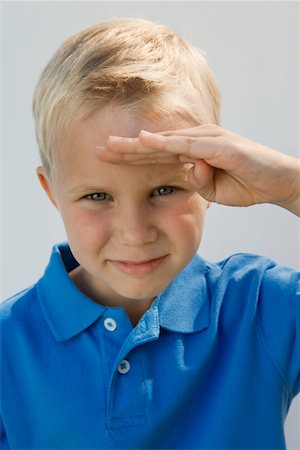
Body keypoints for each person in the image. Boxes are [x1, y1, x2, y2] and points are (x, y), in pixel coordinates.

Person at [1, 17, 299, 450]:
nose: (135, 233)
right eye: (98, 195)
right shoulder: (9, 346)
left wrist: (290, 185)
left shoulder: (259, 309)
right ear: (52, 191)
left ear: (212, 176)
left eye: (164, 189)